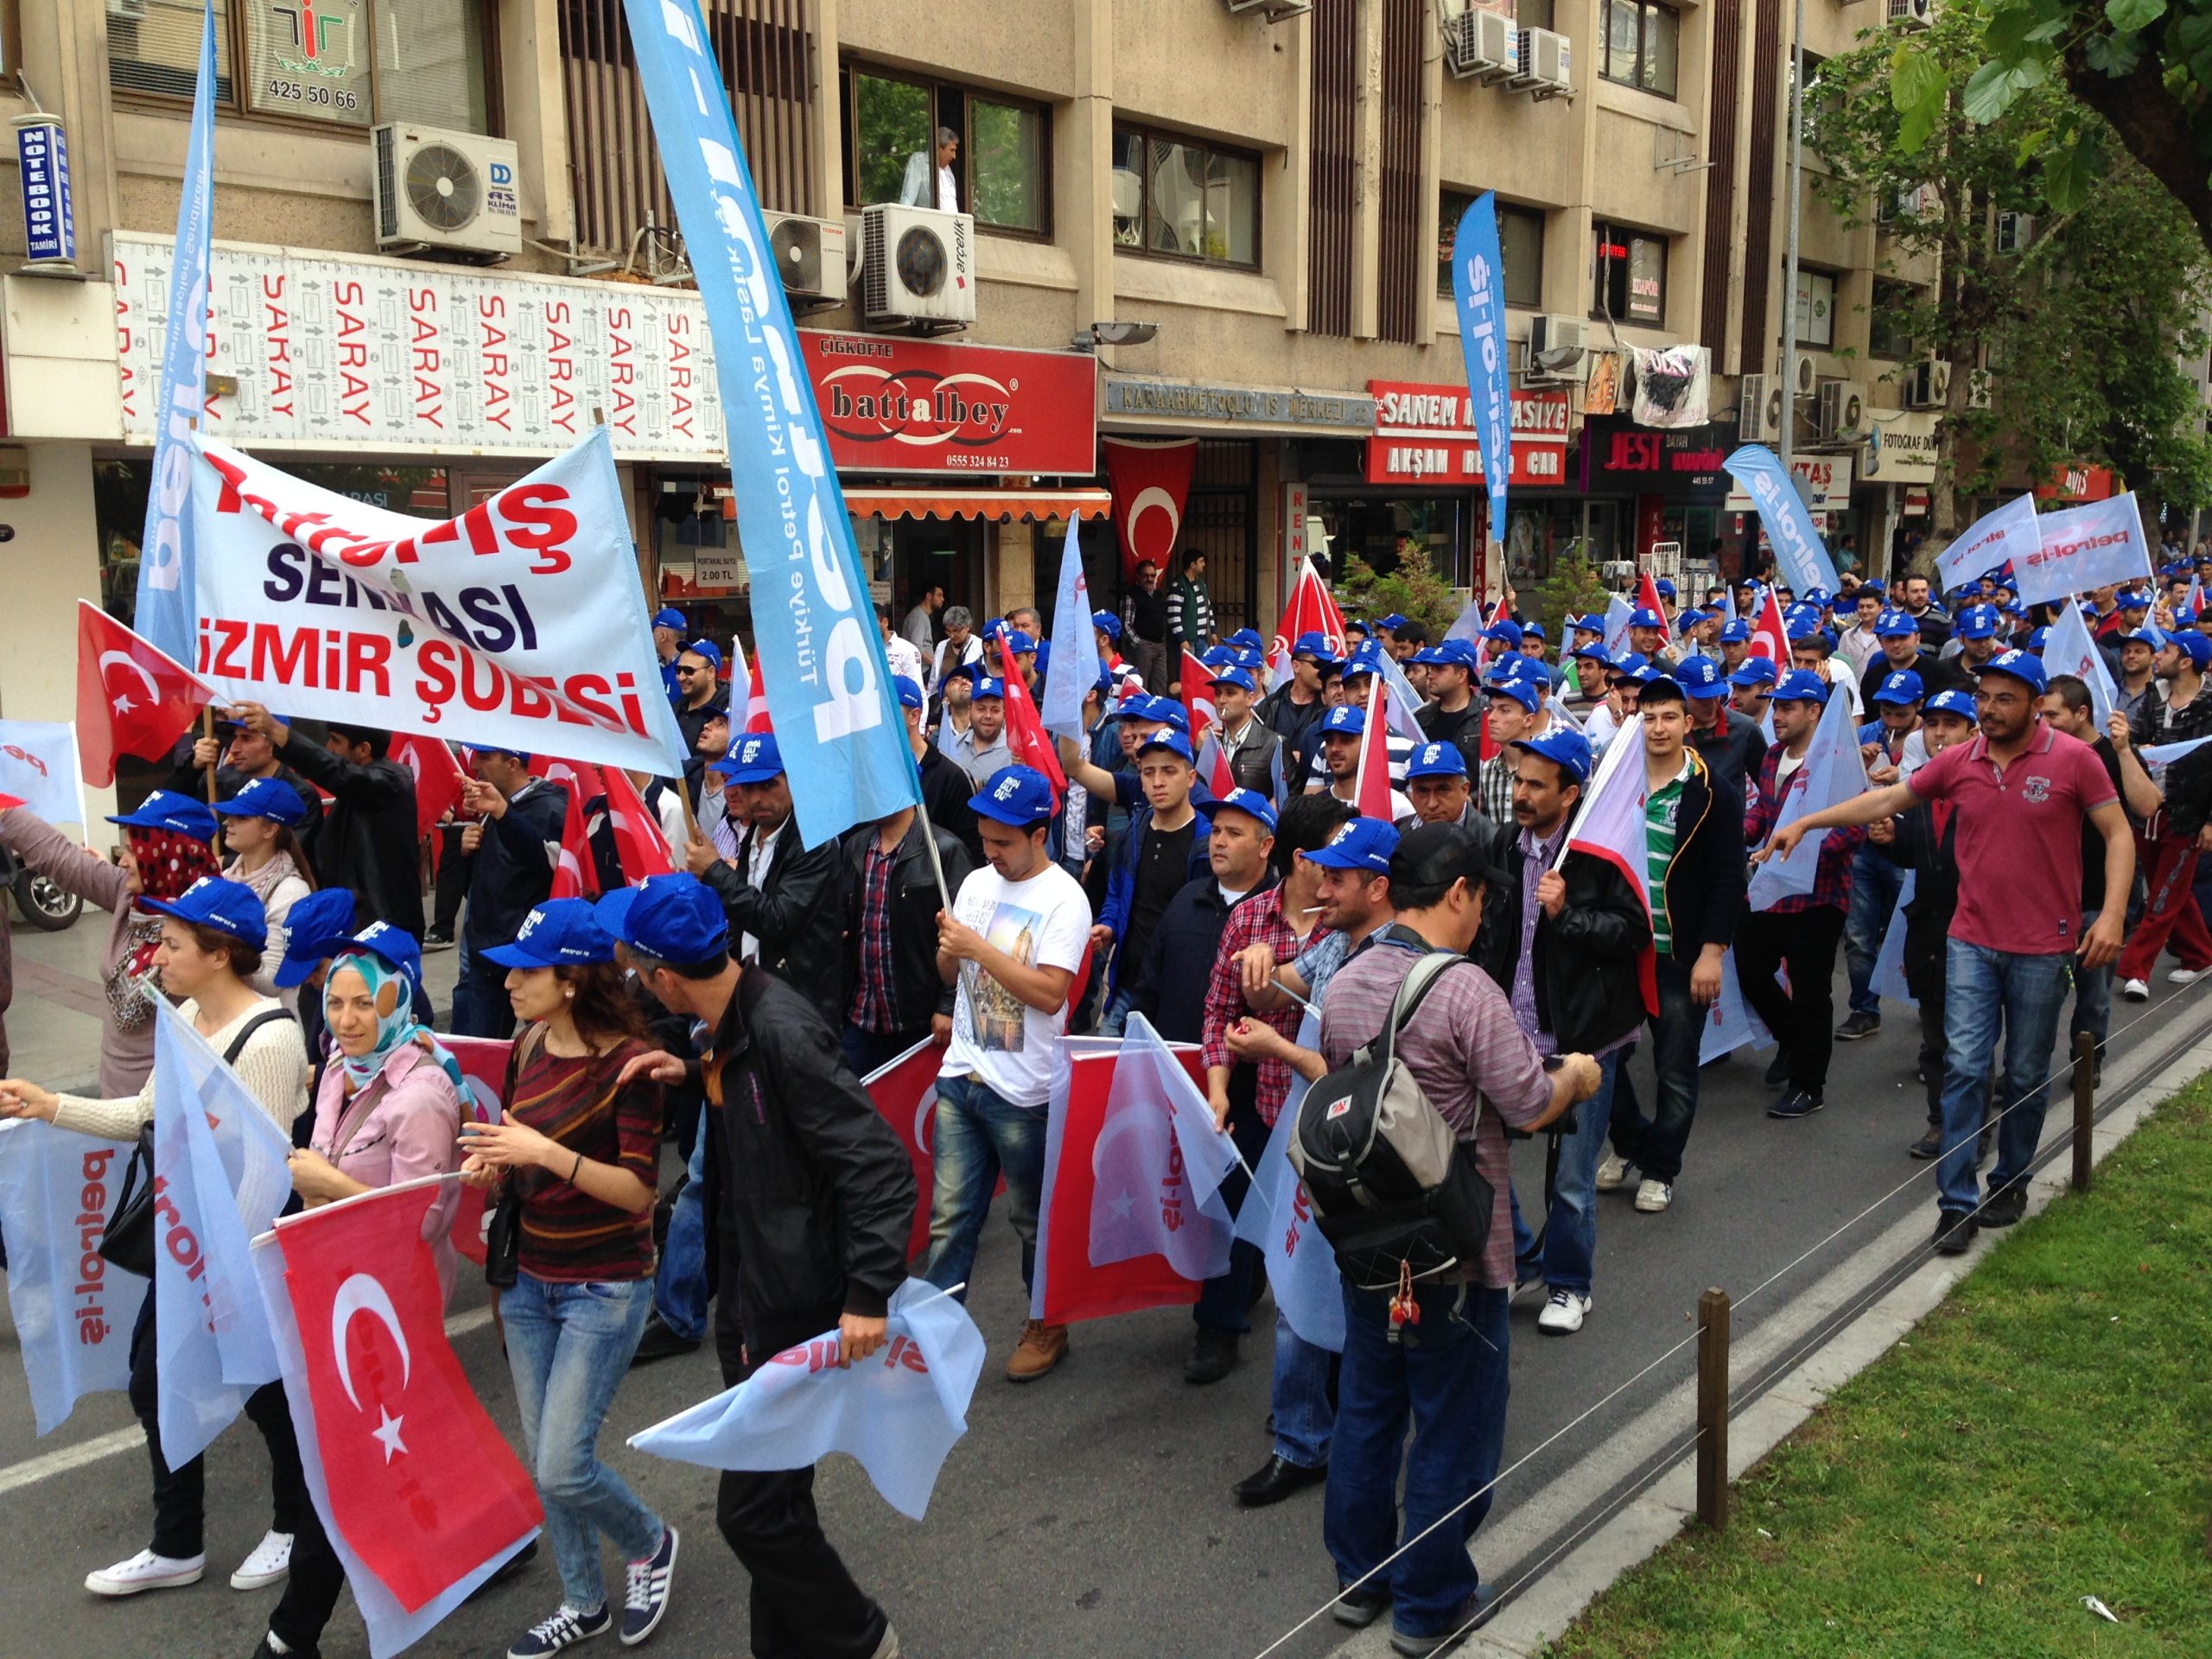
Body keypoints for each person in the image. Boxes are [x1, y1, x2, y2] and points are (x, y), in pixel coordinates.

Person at [600, 874, 912, 1659]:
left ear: (666, 978)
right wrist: (689, 1073)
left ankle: (861, 1638)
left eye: (638, 968)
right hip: (751, 1295)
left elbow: (879, 1167)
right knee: (779, 1498)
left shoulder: (779, 1030)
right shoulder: (726, 1026)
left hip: (795, 1304)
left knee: (753, 1512)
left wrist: (868, 1295)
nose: (634, 979)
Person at [1318, 823, 1599, 1653]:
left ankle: (1359, 1579)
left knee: (1367, 1410)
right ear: (1459, 894)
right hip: (1458, 1246)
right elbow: (1523, 1102)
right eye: (1481, 898)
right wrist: (1576, 1076)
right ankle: (1430, 1601)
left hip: (1372, 1240)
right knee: (1453, 1424)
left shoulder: (1347, 979)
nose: (1483, 916)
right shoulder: (1465, 989)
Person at [0, 876, 314, 1608]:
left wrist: (225, 1277)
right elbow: (143, 1115)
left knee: (261, 1388)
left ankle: (294, 1524)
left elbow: (265, 1172)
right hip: (188, 1243)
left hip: (236, 1248)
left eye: (171, 943)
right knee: (155, 1379)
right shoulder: (185, 1020)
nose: (157, 954)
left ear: (218, 953)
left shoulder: (270, 1036)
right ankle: (178, 1545)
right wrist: (48, 1105)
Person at [1759, 649, 2130, 1255]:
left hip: (2044, 947)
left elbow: (2117, 835)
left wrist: (2112, 915)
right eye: (1982, 697)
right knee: (1963, 1066)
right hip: (1971, 942)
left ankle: (2010, 1179)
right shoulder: (1961, 761)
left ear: (2037, 706)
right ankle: (1956, 1203)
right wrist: (1809, 822)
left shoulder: (2075, 761)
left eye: (2004, 699)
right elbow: (1886, 801)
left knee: (2029, 1073)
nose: (1988, 709)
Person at [459, 899, 678, 1656]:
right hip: (528, 1282)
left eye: (527, 973)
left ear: (573, 980)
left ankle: (650, 1542)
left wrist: (541, 1152)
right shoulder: (525, 1045)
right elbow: (521, 1159)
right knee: (548, 1466)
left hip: (605, 1288)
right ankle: (583, 1600)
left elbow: (640, 1194)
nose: (511, 985)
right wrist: (494, 1166)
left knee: (562, 1463)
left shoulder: (629, 1068)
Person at [258, 931, 466, 1659]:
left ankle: (294, 1631)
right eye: (335, 1002)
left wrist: (328, 1186)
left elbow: (426, 1217)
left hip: (395, 1300)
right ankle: (492, 1537)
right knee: (414, 1439)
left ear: (397, 1001)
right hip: (341, 1284)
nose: (344, 1019)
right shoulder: (338, 1072)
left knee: (348, 1460)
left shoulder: (421, 1098)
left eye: (361, 1005)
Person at [1205, 793, 1353, 1503]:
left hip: (1355, 1138)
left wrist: (1276, 1042)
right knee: (1290, 1274)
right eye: (1336, 858)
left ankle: (1338, 1416)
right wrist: (1221, 1082)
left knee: (1343, 1281)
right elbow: (1232, 1008)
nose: (1343, 876)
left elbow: (1359, 1072)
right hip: (1279, 1123)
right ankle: (1301, 1435)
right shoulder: (1254, 920)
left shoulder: (1363, 938)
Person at [923, 766, 1093, 1382]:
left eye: (1003, 843)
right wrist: (949, 954)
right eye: (985, 839)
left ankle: (1047, 1322)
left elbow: (1050, 994)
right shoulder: (972, 883)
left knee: (1030, 1221)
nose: (990, 853)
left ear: (1039, 834)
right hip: (961, 1074)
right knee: (949, 1222)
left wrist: (976, 950)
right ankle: (935, 1341)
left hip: (1024, 1092)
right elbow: (951, 980)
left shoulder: (1065, 899)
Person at [1480, 728, 1640, 1337]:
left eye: (1535, 785)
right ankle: (1524, 1260)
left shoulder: (1599, 854)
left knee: (1572, 1177)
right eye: (1518, 780)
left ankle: (1572, 1286)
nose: (1520, 793)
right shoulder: (1504, 846)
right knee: (1485, 1156)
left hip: (1585, 1037)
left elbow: (1631, 932)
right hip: (1514, 1032)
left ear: (1571, 793)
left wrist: (1565, 914)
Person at [1123, 788, 1281, 1383]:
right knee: (1196, 1198)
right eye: (1216, 830)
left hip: (1251, 1089)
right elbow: (1151, 982)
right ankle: (1241, 1280)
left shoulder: (1281, 916)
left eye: (1235, 832)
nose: (1218, 840)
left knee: (1231, 1206)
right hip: (1184, 1083)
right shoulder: (1188, 900)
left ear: (1266, 847)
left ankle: (1219, 1329)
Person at [1597, 676, 1745, 1214]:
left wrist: (1713, 952)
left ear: (1688, 723)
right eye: (1648, 717)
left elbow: (1730, 878)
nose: (1657, 728)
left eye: (1668, 717)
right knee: (1603, 1063)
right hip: (1622, 949)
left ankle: (1661, 1168)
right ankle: (1633, 1144)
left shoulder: (1712, 792)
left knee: (1675, 1068)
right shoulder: (1615, 779)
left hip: (1680, 957)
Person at [0, 791, 221, 1091]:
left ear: (166, 854)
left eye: (133, 851)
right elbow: (60, 858)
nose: (122, 861)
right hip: (114, 1094)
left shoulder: (215, 925)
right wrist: (5, 812)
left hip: (176, 1098)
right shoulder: (128, 896)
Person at [1738, 672, 1865, 1118]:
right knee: (1750, 968)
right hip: (1773, 890)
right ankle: (1793, 1041)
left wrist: (1804, 854)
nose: (1778, 715)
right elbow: (1764, 811)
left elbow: (1855, 828)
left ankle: (1809, 1085)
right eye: (1775, 706)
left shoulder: (1837, 760)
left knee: (1812, 991)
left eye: (1788, 707)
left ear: (1815, 712)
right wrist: (1744, 833)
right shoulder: (1773, 756)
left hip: (1819, 896)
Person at [2041, 677, 2159, 1079]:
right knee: (2038, 995)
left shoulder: (2113, 754)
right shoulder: (2041, 752)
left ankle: (2087, 1064)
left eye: (2053, 715)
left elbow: (2146, 805)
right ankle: (2028, 1069)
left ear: (2081, 714)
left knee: (2092, 996)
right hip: (2050, 896)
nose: (2045, 722)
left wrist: (2125, 752)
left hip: (2100, 898)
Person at [688, 732, 845, 1028]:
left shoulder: (815, 843)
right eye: (747, 787)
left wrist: (714, 871)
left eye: (768, 784)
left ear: (792, 781)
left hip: (798, 1009)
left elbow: (778, 920)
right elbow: (741, 922)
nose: (758, 798)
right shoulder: (754, 837)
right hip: (752, 997)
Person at [1063, 728, 1211, 1034]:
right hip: (1128, 985)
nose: (1158, 781)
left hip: (1178, 994)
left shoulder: (1207, 844)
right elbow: (1119, 892)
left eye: (1169, 771)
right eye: (1149, 772)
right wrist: (1109, 925)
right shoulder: (1135, 831)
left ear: (1191, 777)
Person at [235, 704, 424, 938]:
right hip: (358, 920)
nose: (328, 747)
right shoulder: (363, 786)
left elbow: (338, 773)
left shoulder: (387, 782)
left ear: (363, 749)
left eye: (336, 740)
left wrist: (278, 732)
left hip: (382, 927)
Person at [836, 793, 976, 1076]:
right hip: (861, 1014)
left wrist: (948, 1005)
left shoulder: (944, 850)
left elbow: (963, 937)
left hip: (919, 1020)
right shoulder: (856, 846)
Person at [2118, 629, 2212, 999]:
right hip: (2148, 811)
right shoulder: (2154, 697)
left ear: (2185, 661)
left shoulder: (2209, 704)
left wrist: (2209, 821)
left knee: (2162, 895)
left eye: (2167, 649)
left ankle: (2134, 968)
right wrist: (2136, 746)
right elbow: (2139, 735)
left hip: (2188, 815)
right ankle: (2201, 954)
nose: (2159, 655)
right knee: (2173, 890)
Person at [451, 747, 568, 1040]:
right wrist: (465, 851)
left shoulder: (551, 807)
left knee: (544, 1043)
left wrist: (503, 814)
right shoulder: (492, 807)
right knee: (480, 1050)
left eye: (485, 757)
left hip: (525, 954)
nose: (474, 763)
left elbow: (549, 866)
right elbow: (482, 880)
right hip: (483, 953)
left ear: (513, 764)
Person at [213, 776, 318, 1009]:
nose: (227, 823)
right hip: (226, 1019)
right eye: (230, 815)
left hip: (266, 1027)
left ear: (271, 829)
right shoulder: (225, 878)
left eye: (242, 817)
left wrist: (212, 958)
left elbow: (272, 981)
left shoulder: (290, 891)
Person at [172, 714, 326, 855]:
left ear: (275, 744)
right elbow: (170, 804)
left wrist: (225, 863)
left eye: (246, 738)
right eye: (235, 737)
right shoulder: (222, 780)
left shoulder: (302, 796)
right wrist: (194, 767)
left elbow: (290, 854)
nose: (234, 749)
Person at [1306, 703, 1415, 825]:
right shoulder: (1314, 808)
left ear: (1368, 743)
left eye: (1346, 740)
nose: (1334, 748)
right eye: (1329, 741)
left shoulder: (1396, 806)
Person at [1679, 655, 1768, 801]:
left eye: (1715, 694)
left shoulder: (1745, 729)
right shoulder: (1668, 731)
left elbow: (1768, 790)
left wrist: (1752, 822)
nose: (1712, 703)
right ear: (1682, 694)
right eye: (1702, 698)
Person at [1261, 632, 1337, 785]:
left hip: (1313, 798)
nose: (1325, 671)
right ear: (1296, 666)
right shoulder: (1268, 706)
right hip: (1273, 797)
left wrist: (1306, 758)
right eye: (1320, 664)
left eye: (1329, 665)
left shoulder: (1333, 711)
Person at [1209, 666, 1284, 793]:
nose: (1221, 700)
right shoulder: (1210, 743)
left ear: (1250, 699)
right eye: (1218, 693)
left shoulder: (1274, 744)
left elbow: (1287, 799)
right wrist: (1199, 751)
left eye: (1230, 693)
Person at [671, 643, 731, 803]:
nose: (681, 677)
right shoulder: (672, 710)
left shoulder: (728, 711)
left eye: (689, 671)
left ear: (711, 673)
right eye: (678, 670)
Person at [1415, 640, 1483, 771]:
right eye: (1431, 668)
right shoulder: (1420, 718)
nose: (1430, 675)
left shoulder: (1485, 718)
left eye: (1440, 669)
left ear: (1462, 675)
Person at [1405, 740, 1493, 835]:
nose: (1432, 804)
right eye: (1422, 791)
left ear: (1464, 790)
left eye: (1443, 790)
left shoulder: (1491, 842)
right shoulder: (1399, 834)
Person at [947, 674, 1015, 785]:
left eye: (995, 710)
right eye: (981, 709)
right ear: (969, 711)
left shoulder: (1014, 753)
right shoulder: (953, 746)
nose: (988, 716)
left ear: (1004, 713)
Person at [1122, 559, 1171, 693]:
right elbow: (1126, 624)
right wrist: (1139, 644)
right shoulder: (1132, 596)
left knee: (1160, 684)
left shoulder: (1158, 595)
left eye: (1153, 576)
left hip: (1160, 646)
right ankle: (1139, 713)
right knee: (1140, 684)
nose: (1150, 579)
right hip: (1143, 646)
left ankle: (1158, 711)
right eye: (1146, 576)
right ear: (1138, 577)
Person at [1167, 550, 1217, 677]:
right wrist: (1182, 640)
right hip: (1187, 641)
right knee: (1188, 677)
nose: (1204, 564)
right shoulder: (1178, 585)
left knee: (1204, 675)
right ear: (1192, 564)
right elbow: (1173, 616)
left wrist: (1213, 631)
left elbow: (1207, 607)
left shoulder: (1201, 584)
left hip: (1201, 640)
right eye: (1201, 561)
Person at [899, 124, 960, 211]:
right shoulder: (920, 161)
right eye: (952, 150)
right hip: (928, 223)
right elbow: (908, 198)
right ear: (939, 148)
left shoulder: (948, 171)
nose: (954, 156)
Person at [930, 606, 985, 698]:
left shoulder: (980, 647)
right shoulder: (942, 647)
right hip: (945, 705)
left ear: (967, 627)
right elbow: (933, 681)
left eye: (956, 631)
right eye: (948, 631)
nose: (952, 635)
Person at [651, 607, 688, 703]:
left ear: (663, 636)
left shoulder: (690, 670)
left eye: (653, 631)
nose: (651, 636)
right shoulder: (653, 665)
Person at [901, 584, 944, 653]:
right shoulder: (919, 616)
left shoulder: (923, 615)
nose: (942, 599)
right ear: (929, 596)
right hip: (921, 664)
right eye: (939, 595)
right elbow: (917, 646)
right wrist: (934, 663)